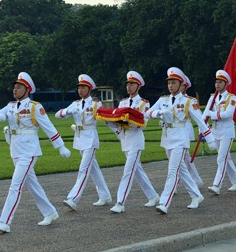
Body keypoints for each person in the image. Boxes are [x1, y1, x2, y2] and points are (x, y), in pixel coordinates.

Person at [0, 72, 71, 233]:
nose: (15, 90)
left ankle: (4, 222)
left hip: (29, 151)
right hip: (15, 150)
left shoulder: (34, 107)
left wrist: (60, 146)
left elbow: (48, 126)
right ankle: (50, 212)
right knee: (32, 184)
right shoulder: (11, 105)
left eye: (18, 87)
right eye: (14, 87)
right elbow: (0, 114)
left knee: (15, 185)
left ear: (27, 90)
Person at [145, 67, 216, 214]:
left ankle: (164, 202)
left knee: (172, 171)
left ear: (180, 84)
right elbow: (147, 113)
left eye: (174, 82)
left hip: (181, 138)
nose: (170, 85)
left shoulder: (188, 101)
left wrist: (210, 138)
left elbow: (200, 121)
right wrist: (158, 112)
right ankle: (196, 196)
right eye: (169, 82)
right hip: (167, 137)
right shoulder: (163, 99)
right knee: (181, 170)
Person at [55, 74, 112, 211]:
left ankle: (73, 198)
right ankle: (105, 196)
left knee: (84, 169)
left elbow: (105, 118)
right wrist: (68, 110)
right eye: (79, 87)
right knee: (94, 170)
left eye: (83, 87)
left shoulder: (95, 103)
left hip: (91, 138)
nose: (80, 90)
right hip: (80, 138)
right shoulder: (75, 104)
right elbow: (58, 115)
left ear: (89, 89)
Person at [106, 71, 159, 213]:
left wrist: (128, 120)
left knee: (128, 172)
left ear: (138, 86)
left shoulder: (143, 103)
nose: (129, 86)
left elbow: (143, 123)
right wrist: (107, 120)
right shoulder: (122, 102)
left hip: (135, 140)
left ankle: (120, 202)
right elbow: (117, 124)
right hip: (125, 141)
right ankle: (153, 196)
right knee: (137, 171)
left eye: (132, 84)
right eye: (128, 84)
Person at [203, 69, 236, 195]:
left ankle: (217, 185)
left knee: (221, 159)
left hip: (226, 131)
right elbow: (205, 114)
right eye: (216, 82)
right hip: (215, 130)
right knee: (226, 158)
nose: (217, 84)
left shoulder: (231, 98)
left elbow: (228, 114)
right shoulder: (212, 97)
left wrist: (212, 114)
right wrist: (203, 128)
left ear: (226, 84)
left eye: (220, 82)